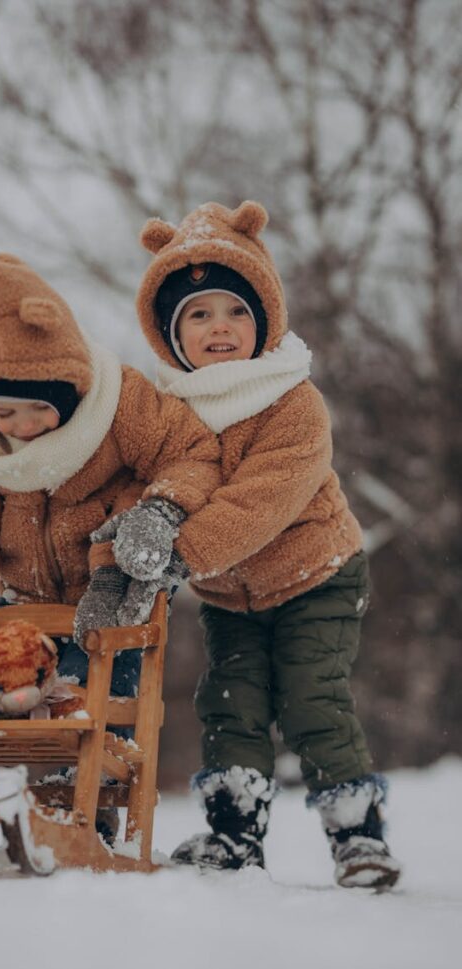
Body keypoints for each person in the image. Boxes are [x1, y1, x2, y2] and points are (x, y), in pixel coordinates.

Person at [101, 200, 401, 888]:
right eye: (198, 316)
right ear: (169, 333)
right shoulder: (170, 409)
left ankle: (357, 835)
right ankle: (234, 834)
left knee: (309, 698)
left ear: (263, 319)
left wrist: (176, 555)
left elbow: (260, 500)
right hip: (229, 593)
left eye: (235, 311)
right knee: (229, 701)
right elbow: (147, 478)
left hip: (316, 573)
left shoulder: (292, 401)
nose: (219, 329)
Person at [0, 251, 220, 716]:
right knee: (4, 691)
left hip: (110, 583)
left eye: (39, 406)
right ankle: (5, 777)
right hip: (21, 599)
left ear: (67, 385)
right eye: (4, 413)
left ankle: (98, 767)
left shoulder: (119, 402)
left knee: (94, 687)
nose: (23, 425)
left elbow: (190, 452)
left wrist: (159, 512)